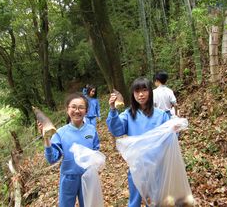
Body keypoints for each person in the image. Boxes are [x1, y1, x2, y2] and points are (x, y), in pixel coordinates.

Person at [106, 77, 170, 207]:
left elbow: (170, 137)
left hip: (156, 165)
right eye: (137, 91)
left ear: (150, 93)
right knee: (134, 200)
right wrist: (113, 110)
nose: (141, 94)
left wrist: (175, 128)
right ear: (133, 94)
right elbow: (116, 130)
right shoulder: (128, 115)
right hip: (136, 166)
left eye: (144, 90)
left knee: (155, 200)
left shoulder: (161, 115)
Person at [38, 92, 100, 207]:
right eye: (73, 107)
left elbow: (96, 150)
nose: (77, 111)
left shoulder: (91, 130)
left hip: (88, 176)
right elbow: (52, 159)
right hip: (68, 177)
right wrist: (46, 138)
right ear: (67, 110)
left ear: (86, 111)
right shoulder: (60, 133)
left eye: (81, 107)